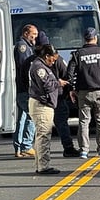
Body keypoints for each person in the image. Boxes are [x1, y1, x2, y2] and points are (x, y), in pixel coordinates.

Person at [67, 27, 100, 159]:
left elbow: (70, 73)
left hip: (83, 92)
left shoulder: (78, 54)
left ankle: (84, 150)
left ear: (85, 39)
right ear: (95, 38)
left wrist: (71, 89)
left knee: (84, 122)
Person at [28, 44, 68, 175]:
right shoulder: (39, 67)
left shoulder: (43, 66)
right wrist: (58, 83)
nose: (54, 62)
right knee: (44, 135)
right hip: (42, 105)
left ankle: (40, 164)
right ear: (46, 56)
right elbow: (46, 85)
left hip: (45, 104)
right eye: (53, 59)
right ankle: (43, 166)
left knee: (41, 135)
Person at [37, 31, 79, 157]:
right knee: (61, 123)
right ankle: (68, 147)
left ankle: (41, 152)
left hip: (41, 98)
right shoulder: (58, 60)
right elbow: (67, 76)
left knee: (41, 127)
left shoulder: (32, 61)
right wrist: (67, 91)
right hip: (57, 96)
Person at [13, 24, 37, 158]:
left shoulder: (27, 46)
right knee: (31, 116)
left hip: (22, 87)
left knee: (22, 118)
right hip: (25, 88)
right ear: (26, 33)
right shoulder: (23, 47)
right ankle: (26, 146)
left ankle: (19, 146)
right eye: (33, 34)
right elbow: (25, 67)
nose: (35, 37)